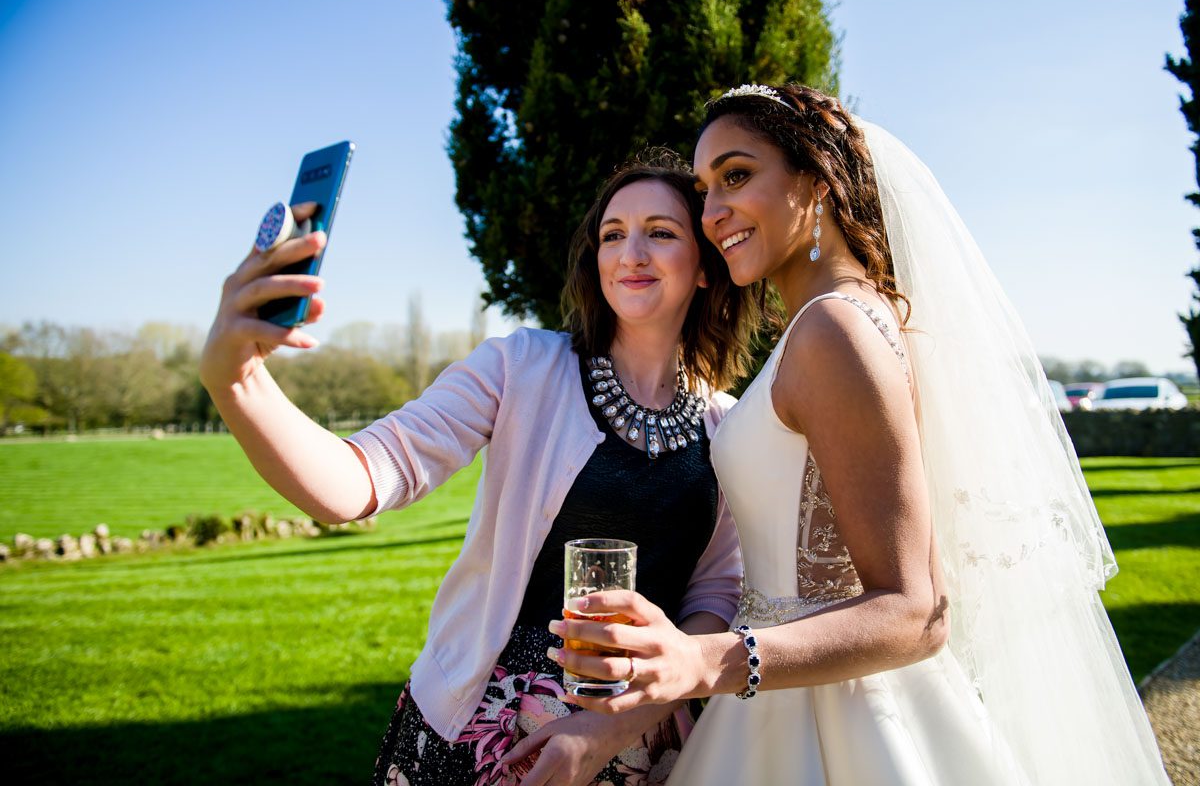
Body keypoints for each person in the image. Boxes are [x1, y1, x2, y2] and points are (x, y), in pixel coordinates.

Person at [551, 84, 1170, 784]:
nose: (712, 212)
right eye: (703, 189)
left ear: (815, 180)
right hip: (779, 704)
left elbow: (916, 611)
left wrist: (700, 661)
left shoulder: (834, 329)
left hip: (836, 724)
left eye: (737, 175)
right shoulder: (839, 320)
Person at [199, 150, 762, 786]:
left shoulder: (728, 427)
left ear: (707, 270)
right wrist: (237, 380)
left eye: (660, 232)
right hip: (482, 735)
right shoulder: (519, 368)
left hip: (642, 747)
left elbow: (713, 597)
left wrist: (610, 728)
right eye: (612, 234)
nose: (630, 253)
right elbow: (361, 477)